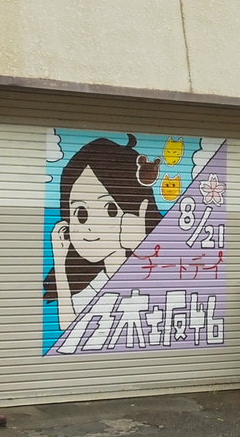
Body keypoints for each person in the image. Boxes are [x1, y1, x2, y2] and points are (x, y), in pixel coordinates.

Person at [43, 134, 164, 330]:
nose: (90, 226)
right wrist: (59, 259)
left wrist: (140, 250)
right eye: (80, 213)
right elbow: (69, 328)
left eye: (110, 209)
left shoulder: (151, 272)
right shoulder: (91, 285)